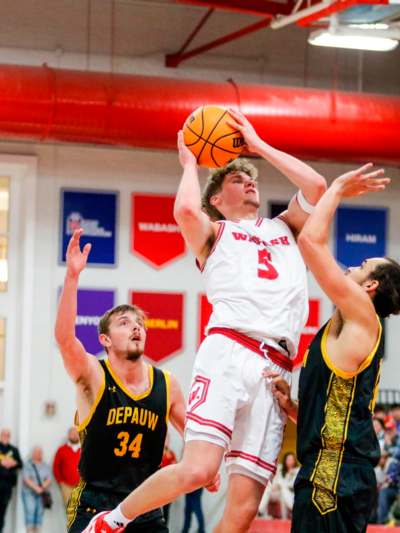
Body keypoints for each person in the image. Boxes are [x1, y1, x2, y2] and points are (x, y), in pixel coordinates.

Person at [86, 109, 327, 533]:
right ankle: (112, 521)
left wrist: (258, 146)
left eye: (251, 177)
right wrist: (190, 163)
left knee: (246, 505)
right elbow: (183, 210)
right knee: (198, 470)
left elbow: (317, 186)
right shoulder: (215, 233)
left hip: (278, 368)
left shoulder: (284, 227)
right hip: (231, 351)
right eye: (237, 178)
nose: (249, 181)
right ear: (215, 199)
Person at [268, 166, 400, 533]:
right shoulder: (348, 324)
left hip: (334, 477)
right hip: (331, 472)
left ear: (370, 286)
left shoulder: (364, 316)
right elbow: (338, 409)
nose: (352, 266)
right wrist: (294, 409)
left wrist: (334, 188)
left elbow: (309, 242)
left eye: (363, 266)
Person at [54, 230, 190, 533]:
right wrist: (73, 277)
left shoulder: (167, 383)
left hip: (145, 507)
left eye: (139, 323)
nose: (136, 328)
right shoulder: (93, 374)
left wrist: (203, 466)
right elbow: (65, 339)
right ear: (105, 339)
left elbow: (195, 433)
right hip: (94, 504)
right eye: (125, 323)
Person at [22, 446, 53, 533]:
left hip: (42, 493)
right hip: (29, 493)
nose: (38, 454)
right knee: (30, 512)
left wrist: (42, 487)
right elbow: (26, 479)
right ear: (33, 454)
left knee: (39, 514)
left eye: (40, 452)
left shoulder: (46, 465)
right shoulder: (28, 465)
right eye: (36, 452)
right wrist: (36, 488)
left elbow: (49, 478)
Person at [53, 427, 82, 510]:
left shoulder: (85, 449)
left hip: (83, 487)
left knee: (82, 511)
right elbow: (56, 467)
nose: (74, 435)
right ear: (68, 436)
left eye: (76, 434)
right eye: (72, 434)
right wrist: (61, 482)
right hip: (67, 486)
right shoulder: (61, 450)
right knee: (70, 510)